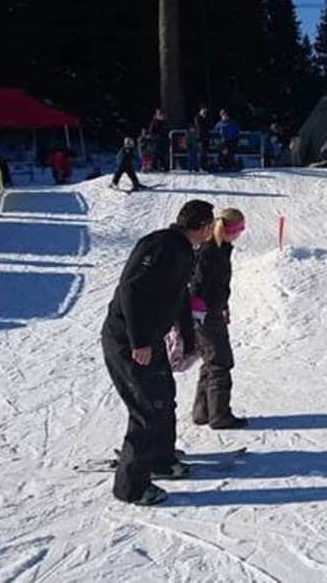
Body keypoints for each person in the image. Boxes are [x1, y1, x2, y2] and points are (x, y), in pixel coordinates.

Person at [101, 200, 215, 506]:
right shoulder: (162, 245)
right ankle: (131, 487)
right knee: (147, 408)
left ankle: (161, 459)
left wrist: (189, 341)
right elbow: (130, 289)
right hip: (128, 340)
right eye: (211, 225)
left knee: (164, 394)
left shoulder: (184, 250)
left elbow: (179, 297)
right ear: (203, 226)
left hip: (151, 338)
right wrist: (139, 341)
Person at [189, 208, 248, 430]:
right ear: (230, 229)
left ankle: (203, 411)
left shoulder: (221, 248)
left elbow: (218, 285)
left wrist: (223, 306)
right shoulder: (209, 250)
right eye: (240, 228)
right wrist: (201, 309)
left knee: (211, 360)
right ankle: (219, 415)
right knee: (220, 361)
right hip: (203, 314)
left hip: (212, 311)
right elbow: (197, 283)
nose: (241, 233)